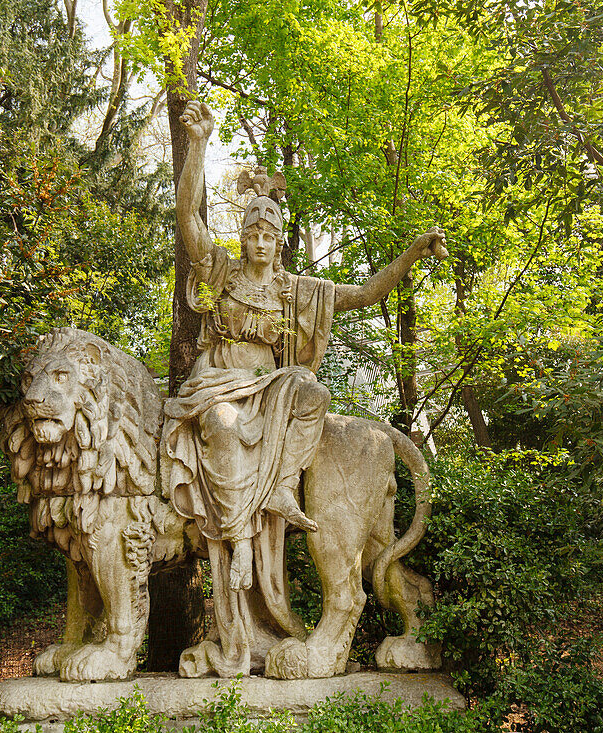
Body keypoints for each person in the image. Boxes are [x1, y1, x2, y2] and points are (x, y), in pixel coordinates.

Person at [163, 101, 447, 676]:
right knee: (219, 423)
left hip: (272, 390)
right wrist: (197, 147)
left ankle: (277, 489)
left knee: (308, 389)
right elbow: (189, 222)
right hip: (221, 385)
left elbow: (366, 294)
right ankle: (238, 529)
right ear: (242, 238)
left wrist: (412, 254)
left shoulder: (298, 291)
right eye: (252, 231)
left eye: (270, 233)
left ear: (279, 242)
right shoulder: (220, 273)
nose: (261, 240)